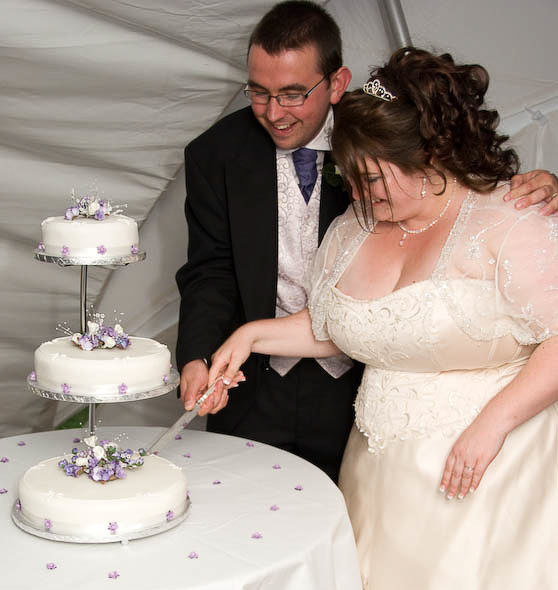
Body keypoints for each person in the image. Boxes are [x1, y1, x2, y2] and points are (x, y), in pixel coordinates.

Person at [208, 48, 558, 590]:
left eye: (371, 178)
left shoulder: (510, 219)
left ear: (428, 156)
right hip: (379, 471)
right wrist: (250, 336)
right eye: (351, 178)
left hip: (489, 470)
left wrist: (492, 426)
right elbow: (338, 326)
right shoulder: (355, 227)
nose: (360, 194)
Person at [175, 0, 558, 482]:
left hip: (372, 407)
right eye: (258, 92)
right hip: (277, 402)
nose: (274, 112)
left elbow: (485, 210)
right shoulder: (219, 156)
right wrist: (217, 347)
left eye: (292, 94)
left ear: (336, 83)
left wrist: (549, 187)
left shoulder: (395, 132)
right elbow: (211, 270)